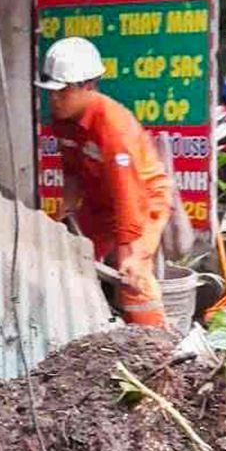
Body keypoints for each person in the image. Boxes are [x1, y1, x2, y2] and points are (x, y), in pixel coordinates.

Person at [36, 37, 172, 326]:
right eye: (50, 93)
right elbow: (71, 172)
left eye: (62, 92)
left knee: (132, 278)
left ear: (88, 86)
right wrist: (65, 214)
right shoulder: (62, 118)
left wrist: (132, 253)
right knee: (75, 259)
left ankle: (156, 345)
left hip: (141, 200)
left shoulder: (113, 127)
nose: (54, 99)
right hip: (100, 200)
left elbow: (129, 197)